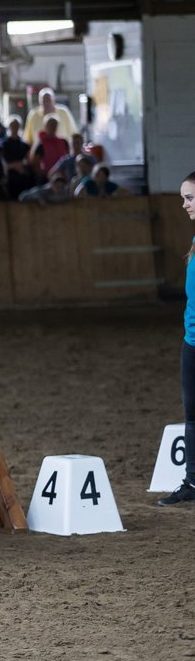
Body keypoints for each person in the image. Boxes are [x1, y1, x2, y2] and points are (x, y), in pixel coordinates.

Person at [159, 170, 195, 506]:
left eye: (190, 197)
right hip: (192, 341)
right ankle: (193, 482)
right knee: (192, 415)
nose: (185, 205)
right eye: (184, 197)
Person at [1, 117, 34, 199]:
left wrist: (22, 166)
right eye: (13, 125)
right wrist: (13, 165)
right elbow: (1, 162)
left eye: (16, 125)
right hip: (9, 177)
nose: (15, 128)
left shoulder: (24, 144)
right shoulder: (3, 144)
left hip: (22, 176)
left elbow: (28, 160)